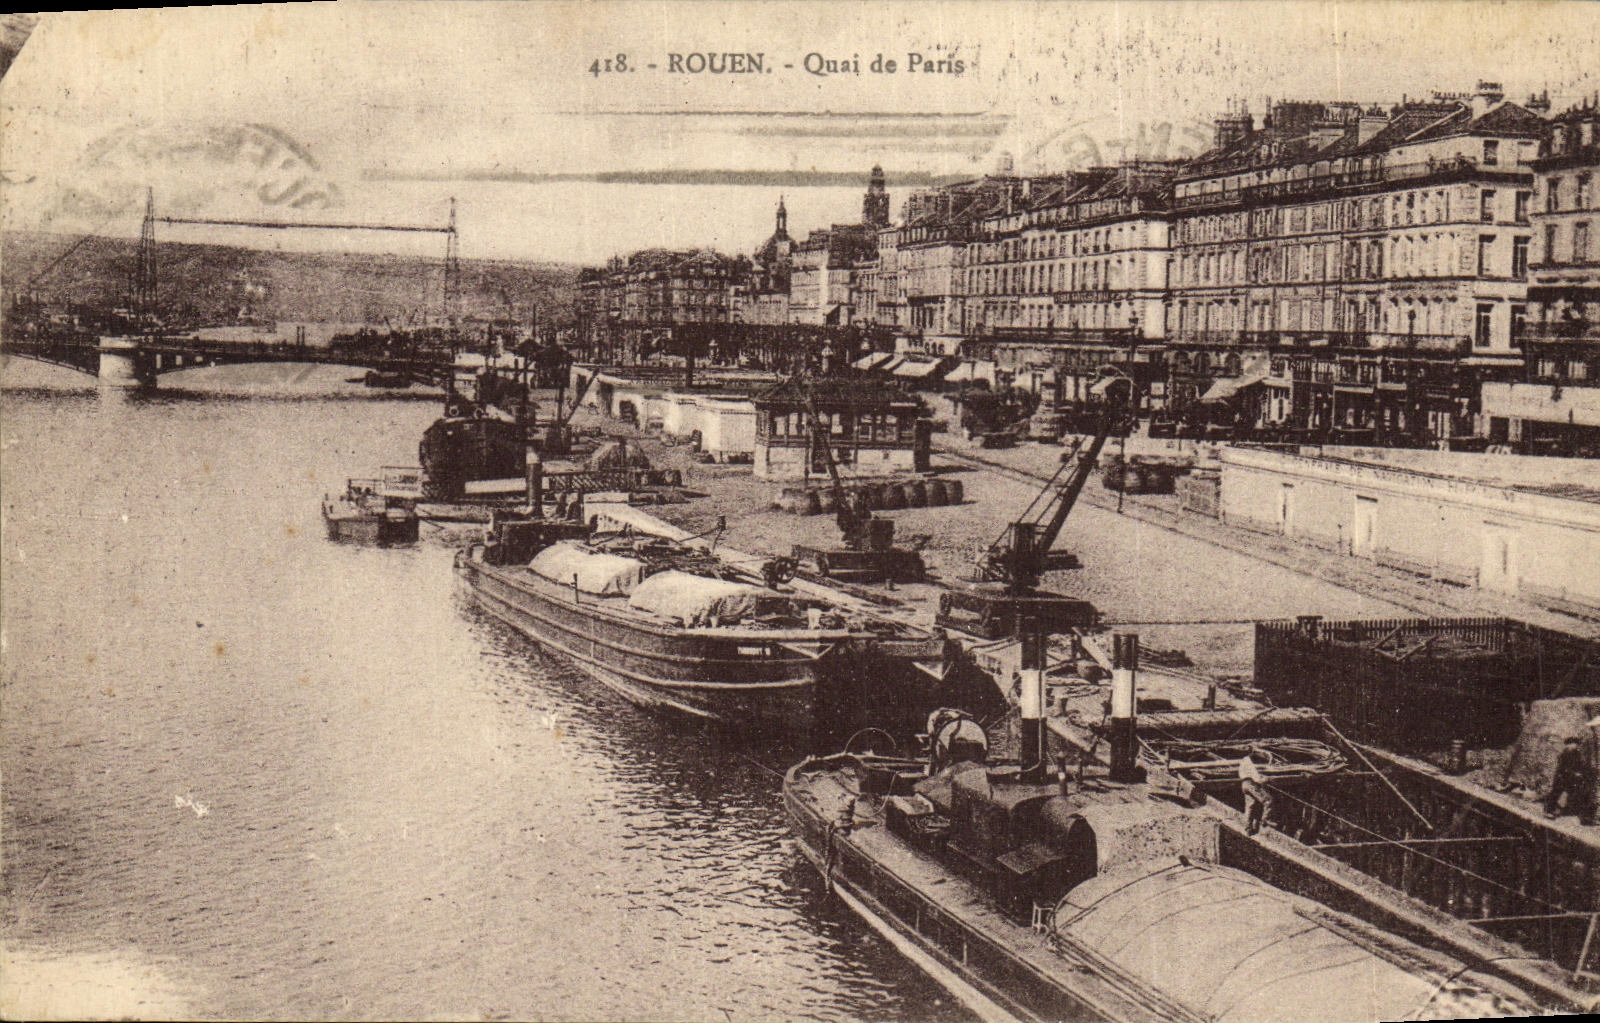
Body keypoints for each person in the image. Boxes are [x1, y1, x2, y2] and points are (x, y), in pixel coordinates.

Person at [1545, 736, 1596, 826]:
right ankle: (1549, 810)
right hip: (1561, 776)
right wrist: (1574, 773)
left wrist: (1580, 772)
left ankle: (1559, 810)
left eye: (1576, 744)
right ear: (1569, 744)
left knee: (1566, 794)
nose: (1575, 746)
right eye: (1574, 744)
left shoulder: (1576, 753)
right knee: (1556, 792)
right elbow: (1564, 767)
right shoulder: (1565, 753)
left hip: (1570, 778)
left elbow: (1579, 764)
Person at [1240, 755, 1273, 836]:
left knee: (1250, 806)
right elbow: (1257, 779)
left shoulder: (1244, 760)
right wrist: (1267, 779)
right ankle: (1265, 820)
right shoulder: (1250, 763)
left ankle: (1248, 828)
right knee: (1268, 800)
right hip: (1251, 784)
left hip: (1244, 784)